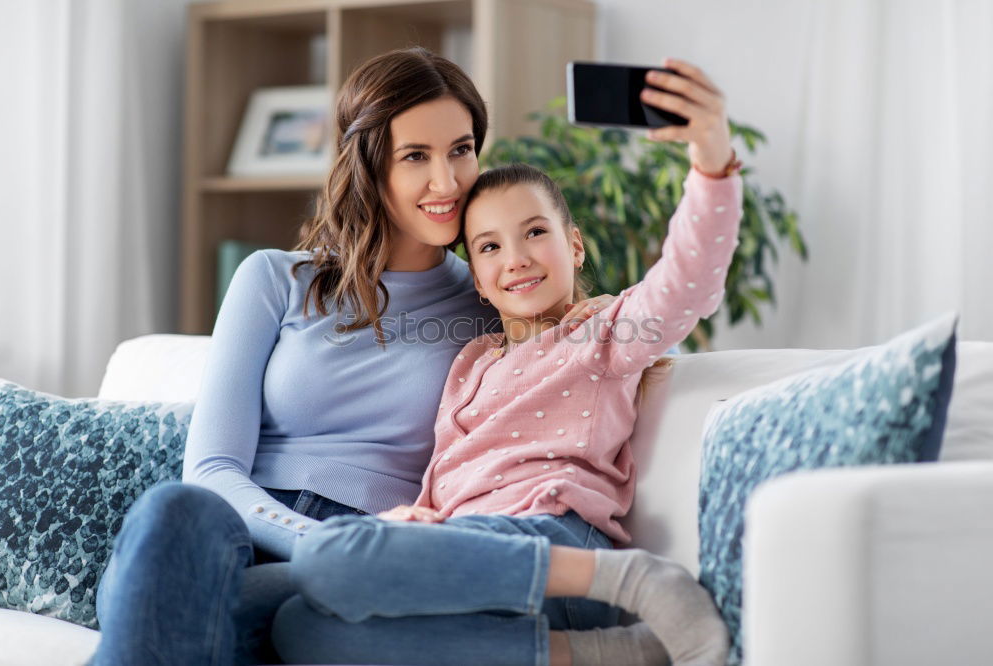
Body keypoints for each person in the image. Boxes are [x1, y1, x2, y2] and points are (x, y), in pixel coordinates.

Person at [90, 47, 616, 666]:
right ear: (371, 164)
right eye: (415, 156)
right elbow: (209, 469)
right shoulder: (273, 279)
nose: (446, 182)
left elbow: (609, 352)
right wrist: (318, 541)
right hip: (235, 533)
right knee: (173, 512)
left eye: (461, 149)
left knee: (232, 613)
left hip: (369, 554)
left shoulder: (491, 302)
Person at [269, 129, 743, 665]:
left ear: (576, 245)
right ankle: (607, 655)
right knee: (299, 628)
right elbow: (451, 470)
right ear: (478, 280)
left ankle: (636, 580)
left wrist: (712, 165)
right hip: (474, 564)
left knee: (323, 556)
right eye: (490, 246)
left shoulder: (605, 334)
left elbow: (689, 281)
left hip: (557, 542)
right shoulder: (470, 360)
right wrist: (416, 520)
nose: (515, 258)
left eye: (535, 232)